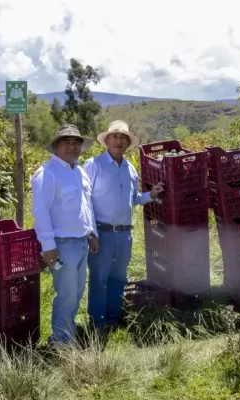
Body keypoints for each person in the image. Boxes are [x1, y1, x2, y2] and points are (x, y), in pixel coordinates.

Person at [83, 120, 163, 335]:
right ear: (106, 140)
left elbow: (133, 198)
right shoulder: (94, 165)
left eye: (123, 138)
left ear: (128, 143)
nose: (118, 141)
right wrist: (91, 233)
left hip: (124, 233)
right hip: (101, 232)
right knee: (99, 279)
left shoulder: (130, 169)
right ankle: (97, 322)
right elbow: (85, 201)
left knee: (119, 278)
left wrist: (151, 196)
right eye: (115, 137)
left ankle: (113, 318)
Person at [31, 124, 99, 345]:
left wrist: (91, 233)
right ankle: (61, 340)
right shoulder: (47, 174)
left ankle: (66, 331)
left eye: (76, 143)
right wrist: (48, 246)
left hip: (80, 244)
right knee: (66, 292)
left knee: (77, 290)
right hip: (61, 247)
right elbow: (40, 212)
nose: (71, 147)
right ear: (56, 147)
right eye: (66, 143)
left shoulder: (78, 172)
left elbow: (85, 206)